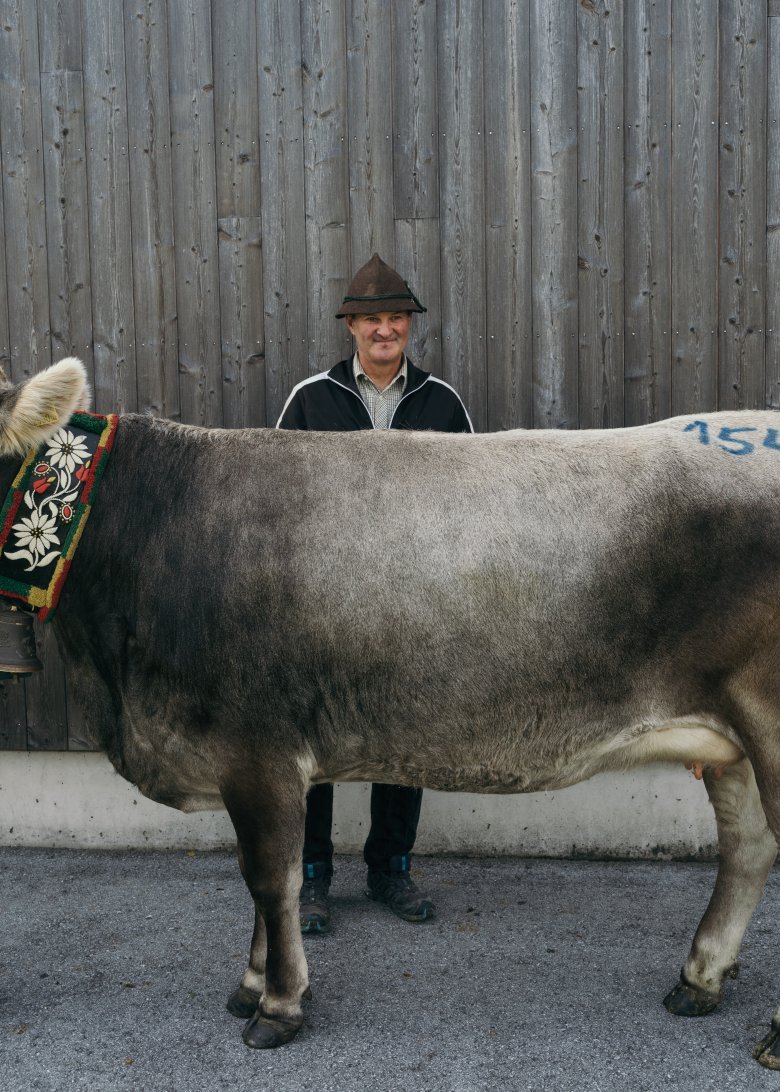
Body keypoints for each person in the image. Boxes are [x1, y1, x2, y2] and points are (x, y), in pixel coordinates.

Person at [276, 253, 473, 933]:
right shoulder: (310, 399)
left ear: (408, 327)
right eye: (371, 320)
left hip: (412, 607)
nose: (384, 330)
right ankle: (312, 880)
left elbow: (472, 507)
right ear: (351, 327)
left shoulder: (442, 402)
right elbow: (275, 506)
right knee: (317, 742)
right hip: (323, 607)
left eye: (395, 318)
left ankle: (391, 869)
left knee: (403, 736)